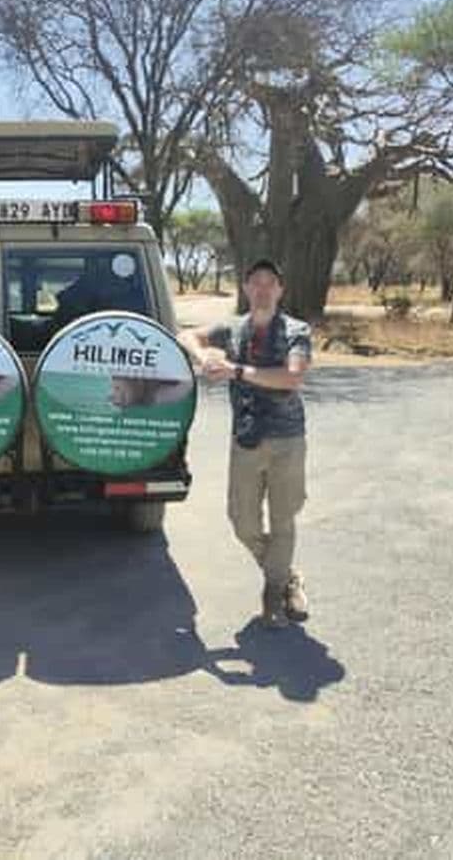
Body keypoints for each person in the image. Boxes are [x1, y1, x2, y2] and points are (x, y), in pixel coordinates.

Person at [178, 258, 312, 628]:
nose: (263, 288)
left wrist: (236, 370)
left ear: (280, 290)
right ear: (247, 288)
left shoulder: (296, 331)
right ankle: (288, 576)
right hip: (246, 440)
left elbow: (291, 377)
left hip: (287, 440)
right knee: (242, 522)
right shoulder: (234, 328)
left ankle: (273, 598)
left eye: (271, 282)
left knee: (283, 519)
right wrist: (203, 356)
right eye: (256, 282)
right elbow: (186, 335)